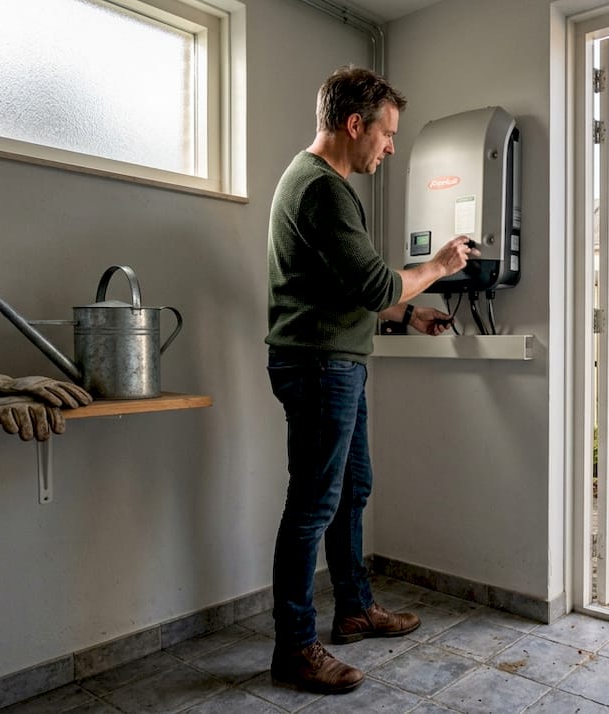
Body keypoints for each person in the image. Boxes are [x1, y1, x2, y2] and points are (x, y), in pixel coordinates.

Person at [265, 65, 476, 694]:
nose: (390, 146)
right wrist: (438, 265)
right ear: (355, 124)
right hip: (320, 363)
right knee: (312, 505)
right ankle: (294, 647)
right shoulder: (322, 189)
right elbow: (377, 283)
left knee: (352, 489)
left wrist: (409, 314)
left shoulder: (318, 186)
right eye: (386, 133)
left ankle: (355, 609)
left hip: (337, 361)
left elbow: (355, 289)